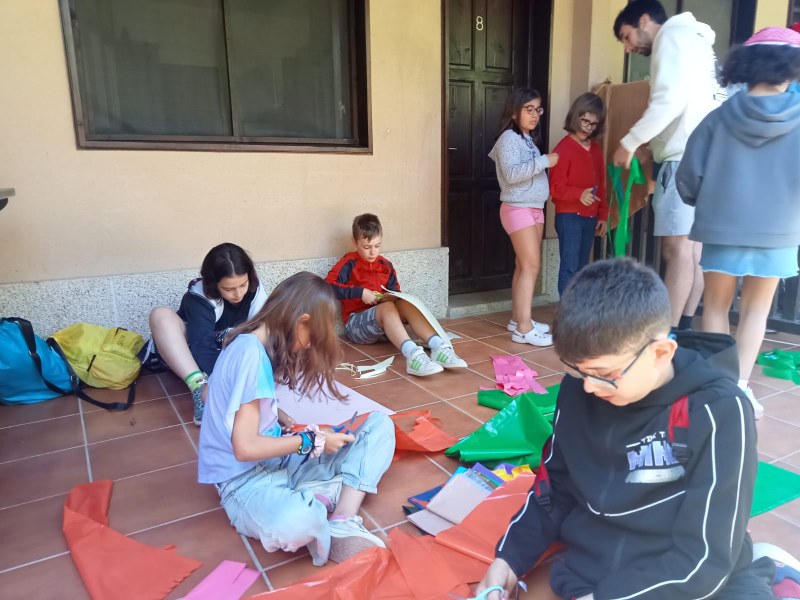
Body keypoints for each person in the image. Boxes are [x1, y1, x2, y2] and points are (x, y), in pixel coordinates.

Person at [477, 258, 776, 600]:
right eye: (576, 371)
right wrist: (508, 559)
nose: (589, 387)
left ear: (660, 353)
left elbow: (706, 558)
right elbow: (554, 487)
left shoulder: (719, 410)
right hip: (593, 565)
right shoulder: (581, 388)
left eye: (604, 374)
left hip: (686, 578)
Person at [197, 272, 395, 566]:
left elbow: (209, 394)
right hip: (244, 482)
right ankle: (321, 498)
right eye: (313, 338)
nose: (309, 346)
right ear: (302, 321)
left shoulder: (243, 340)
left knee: (379, 425)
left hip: (278, 461)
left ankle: (341, 519)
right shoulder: (251, 355)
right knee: (298, 522)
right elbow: (245, 448)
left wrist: (272, 412)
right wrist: (310, 441)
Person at [676, 26, 800, 420]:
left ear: (746, 65)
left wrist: (707, 202)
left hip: (721, 226)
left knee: (715, 306)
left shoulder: (718, 117)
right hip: (779, 231)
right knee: (757, 311)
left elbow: (688, 176)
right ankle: (741, 388)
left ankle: (720, 386)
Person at [612, 0, 724, 331]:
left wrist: (629, 142)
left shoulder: (671, 37)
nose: (628, 47)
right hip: (707, 156)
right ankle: (682, 330)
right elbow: (684, 104)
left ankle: (666, 336)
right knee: (692, 251)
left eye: (626, 36)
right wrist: (651, 146)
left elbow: (669, 101)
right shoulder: (695, 40)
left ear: (644, 20)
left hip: (683, 159)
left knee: (676, 250)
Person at [326, 213, 468, 377]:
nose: (372, 252)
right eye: (367, 247)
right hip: (356, 326)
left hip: (387, 326)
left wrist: (391, 297)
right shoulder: (349, 263)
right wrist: (360, 292)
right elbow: (327, 286)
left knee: (406, 303)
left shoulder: (386, 266)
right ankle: (413, 355)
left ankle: (438, 347)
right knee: (387, 307)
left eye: (377, 246)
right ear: (354, 242)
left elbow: (395, 293)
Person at [145, 243, 267, 425]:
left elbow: (262, 328)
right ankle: (199, 388)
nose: (238, 294)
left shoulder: (253, 289)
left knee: (267, 326)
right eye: (228, 289)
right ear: (213, 283)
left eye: (243, 284)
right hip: (190, 354)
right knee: (160, 315)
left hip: (226, 351)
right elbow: (202, 346)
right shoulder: (198, 297)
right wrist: (221, 383)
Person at [488, 88, 557, 346]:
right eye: (529, 109)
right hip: (518, 208)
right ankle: (523, 329)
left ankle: (518, 319)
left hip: (534, 207)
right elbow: (511, 174)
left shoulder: (527, 139)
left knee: (523, 265)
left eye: (538, 109)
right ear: (514, 112)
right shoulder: (508, 138)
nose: (535, 114)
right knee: (531, 266)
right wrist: (544, 162)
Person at [549, 92, 609, 296]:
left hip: (590, 218)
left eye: (594, 124)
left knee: (582, 268)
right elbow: (555, 188)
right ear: (576, 116)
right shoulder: (563, 149)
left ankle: (578, 309)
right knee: (570, 267)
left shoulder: (596, 150)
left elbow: (601, 184)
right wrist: (578, 195)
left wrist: (603, 214)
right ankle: (568, 312)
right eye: (585, 121)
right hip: (569, 218)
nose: (588, 128)